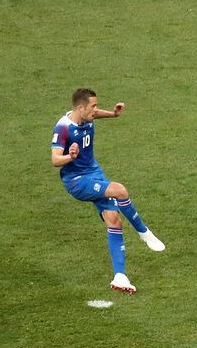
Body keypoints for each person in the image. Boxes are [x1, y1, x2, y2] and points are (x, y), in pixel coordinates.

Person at [50, 88, 164, 294]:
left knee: (114, 220)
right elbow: (55, 159)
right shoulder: (63, 127)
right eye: (93, 106)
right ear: (80, 108)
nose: (96, 110)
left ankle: (120, 277)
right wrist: (70, 157)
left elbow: (96, 115)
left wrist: (113, 114)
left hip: (94, 172)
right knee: (120, 191)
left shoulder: (86, 115)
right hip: (77, 181)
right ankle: (144, 232)